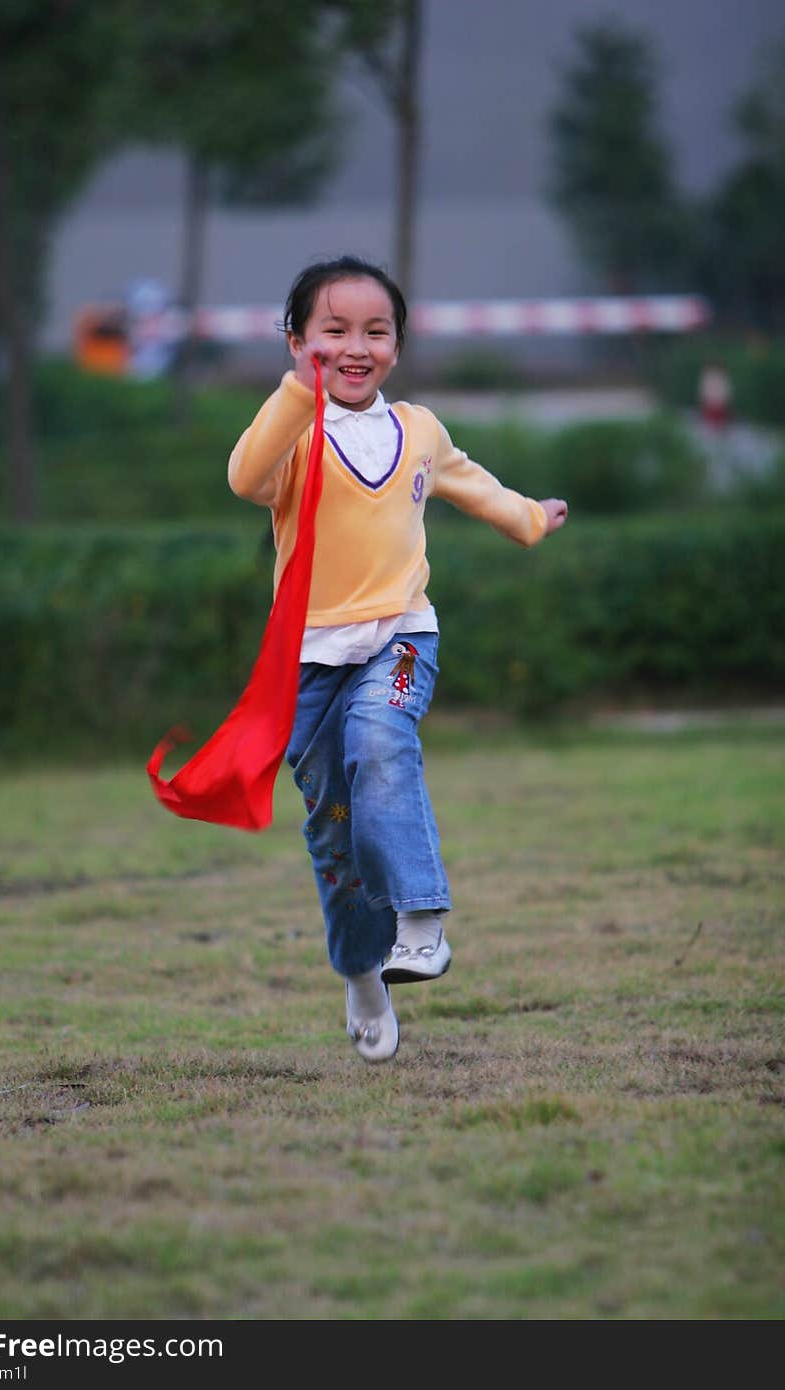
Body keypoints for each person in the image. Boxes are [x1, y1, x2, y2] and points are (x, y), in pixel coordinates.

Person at [228, 256, 568, 1064]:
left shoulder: (417, 429)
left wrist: (528, 519)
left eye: (375, 331)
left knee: (382, 740)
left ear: (396, 346)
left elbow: (467, 481)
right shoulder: (297, 436)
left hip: (401, 635)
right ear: (297, 342)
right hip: (308, 667)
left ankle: (421, 922)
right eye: (333, 331)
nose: (356, 346)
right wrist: (296, 395)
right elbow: (244, 478)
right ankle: (362, 973)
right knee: (335, 839)